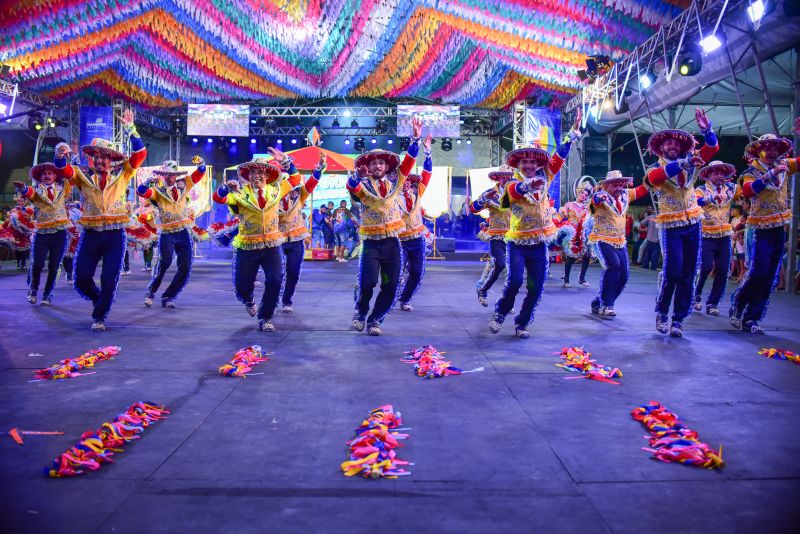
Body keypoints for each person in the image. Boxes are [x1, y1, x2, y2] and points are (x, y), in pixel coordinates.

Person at [490, 111, 582, 338]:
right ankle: (501, 312)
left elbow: (559, 157)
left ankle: (522, 323)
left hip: (539, 243)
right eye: (525, 162)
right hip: (517, 242)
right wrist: (526, 187)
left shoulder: (547, 176)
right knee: (515, 282)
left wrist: (571, 135)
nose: (529, 165)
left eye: (533, 162)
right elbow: (511, 193)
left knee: (536, 286)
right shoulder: (512, 182)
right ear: (519, 165)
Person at [55, 109, 147, 331]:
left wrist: (130, 129)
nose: (100, 160)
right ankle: (98, 299)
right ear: (92, 159)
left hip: (115, 235)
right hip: (91, 235)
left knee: (109, 278)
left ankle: (100, 315)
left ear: (110, 159)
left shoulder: (123, 173)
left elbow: (140, 155)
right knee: (81, 279)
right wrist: (59, 156)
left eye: (105, 157)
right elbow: (64, 171)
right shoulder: (82, 175)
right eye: (97, 157)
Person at [644, 108, 718, 337]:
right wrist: (683, 164)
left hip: (693, 223)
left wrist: (707, 130)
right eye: (668, 144)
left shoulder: (693, 161)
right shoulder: (655, 168)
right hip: (670, 226)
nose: (673, 146)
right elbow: (654, 179)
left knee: (689, 273)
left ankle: (678, 319)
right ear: (661, 147)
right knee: (673, 271)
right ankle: (662, 311)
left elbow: (712, 147)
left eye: (677, 145)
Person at [347, 116, 423, 336]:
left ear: (387, 166)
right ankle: (360, 312)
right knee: (368, 282)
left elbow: (408, 163)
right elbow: (351, 188)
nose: (377, 166)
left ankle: (375, 320)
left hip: (392, 244)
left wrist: (415, 140)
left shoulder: (397, 182)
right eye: (373, 163)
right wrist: (356, 176)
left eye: (381, 163)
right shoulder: (362, 185)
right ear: (368, 168)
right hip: (371, 244)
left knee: (390, 285)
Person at [213, 153, 299, 332]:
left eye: (260, 172)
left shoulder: (277, 189)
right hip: (248, 246)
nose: (256, 176)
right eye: (252, 172)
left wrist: (285, 161)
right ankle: (249, 300)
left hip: (272, 245)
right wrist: (224, 189)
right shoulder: (240, 193)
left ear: (267, 176)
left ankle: (266, 317)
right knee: (243, 286)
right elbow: (218, 199)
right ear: (248, 176)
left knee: (275, 280)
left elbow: (295, 178)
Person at [730, 134, 799, 334]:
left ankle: (752, 318)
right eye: (767, 149)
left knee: (770, 276)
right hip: (759, 229)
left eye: (775, 149)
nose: (772, 152)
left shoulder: (785, 164)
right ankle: (738, 303)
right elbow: (749, 191)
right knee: (758, 272)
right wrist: (770, 174)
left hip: (778, 228)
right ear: (758, 151)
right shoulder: (751, 170)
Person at [137, 158, 206, 309]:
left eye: (173, 174)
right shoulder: (157, 191)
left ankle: (169, 296)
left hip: (182, 232)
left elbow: (199, 173)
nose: (170, 177)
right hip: (167, 233)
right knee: (165, 262)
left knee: (186, 266)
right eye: (167, 175)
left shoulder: (183, 184)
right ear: (163, 176)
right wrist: (149, 181)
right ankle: (151, 292)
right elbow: (141, 192)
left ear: (176, 175)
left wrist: (201, 163)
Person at [587, 171, 649, 316]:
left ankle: (599, 302)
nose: (619, 188)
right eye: (615, 185)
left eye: (621, 184)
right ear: (607, 185)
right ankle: (607, 304)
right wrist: (598, 199)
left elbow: (642, 190)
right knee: (614, 265)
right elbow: (593, 203)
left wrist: (654, 176)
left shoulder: (626, 195)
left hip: (620, 240)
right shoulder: (600, 196)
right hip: (601, 238)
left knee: (624, 275)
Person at [13, 159, 72, 306]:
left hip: (59, 233)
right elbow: (30, 193)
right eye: (44, 174)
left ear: (55, 176)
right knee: (38, 263)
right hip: (42, 233)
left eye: (50, 173)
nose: (47, 175)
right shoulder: (38, 191)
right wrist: (23, 188)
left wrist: (71, 159)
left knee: (54, 265)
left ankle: (47, 294)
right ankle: (33, 290)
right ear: (40, 177)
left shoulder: (63, 188)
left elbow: (71, 177)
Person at [278, 152, 325, 313]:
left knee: (293, 271)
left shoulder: (300, 197)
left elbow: (311, 184)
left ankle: (286, 300)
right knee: (276, 274)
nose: (294, 190)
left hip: (296, 240)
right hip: (276, 240)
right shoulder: (273, 198)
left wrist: (319, 169)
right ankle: (273, 297)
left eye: (295, 188)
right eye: (290, 187)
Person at [693, 161, 737, 316]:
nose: (719, 176)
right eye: (715, 173)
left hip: (724, 235)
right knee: (705, 267)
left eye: (722, 173)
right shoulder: (701, 189)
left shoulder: (731, 188)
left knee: (723, 269)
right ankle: (696, 294)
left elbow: (747, 190)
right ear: (708, 175)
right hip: (706, 234)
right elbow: (695, 201)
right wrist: (709, 199)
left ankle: (713, 302)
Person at [396, 135, 433, 311]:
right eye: (405, 180)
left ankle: (405, 299)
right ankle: (390, 297)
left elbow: (427, 174)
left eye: (410, 181)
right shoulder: (391, 195)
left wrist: (428, 153)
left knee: (417, 273)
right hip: (398, 239)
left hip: (416, 238)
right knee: (396, 272)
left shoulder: (418, 192)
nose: (407, 184)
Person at [469, 166, 513, 307]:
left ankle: (505, 302)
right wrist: (483, 199)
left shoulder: (516, 192)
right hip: (497, 237)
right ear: (497, 178)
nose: (505, 179)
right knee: (499, 264)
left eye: (508, 176)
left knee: (512, 272)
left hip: (515, 237)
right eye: (502, 176)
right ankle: (483, 290)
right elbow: (473, 208)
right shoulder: (490, 193)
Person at [558, 176, 594, 288]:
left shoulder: (587, 207)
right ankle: (566, 279)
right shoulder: (569, 204)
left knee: (587, 255)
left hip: (583, 234)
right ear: (578, 192)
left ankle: (582, 278)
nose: (584, 196)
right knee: (571, 256)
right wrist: (561, 213)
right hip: (572, 234)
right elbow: (561, 215)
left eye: (586, 195)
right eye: (583, 193)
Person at [6, 196, 35, 271]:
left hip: (25, 230)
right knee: (17, 248)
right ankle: (18, 263)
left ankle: (24, 263)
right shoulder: (13, 210)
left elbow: (30, 219)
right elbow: (10, 220)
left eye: (22, 201)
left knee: (26, 247)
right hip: (16, 231)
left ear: (25, 202)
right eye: (19, 201)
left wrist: (27, 218)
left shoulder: (28, 209)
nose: (20, 202)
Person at [62, 202, 82, 286]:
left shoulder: (75, 213)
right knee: (65, 256)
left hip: (72, 237)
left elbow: (79, 224)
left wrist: (77, 232)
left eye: (70, 206)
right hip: (63, 237)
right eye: (66, 206)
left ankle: (70, 275)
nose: (68, 207)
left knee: (70, 256)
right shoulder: (60, 214)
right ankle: (68, 273)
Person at [730, 206, 746, 282]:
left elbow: (740, 229)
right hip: (734, 242)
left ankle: (740, 274)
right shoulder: (733, 219)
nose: (732, 211)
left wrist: (737, 234)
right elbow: (732, 229)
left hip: (740, 240)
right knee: (735, 258)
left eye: (733, 210)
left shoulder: (741, 219)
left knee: (741, 259)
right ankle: (735, 273)